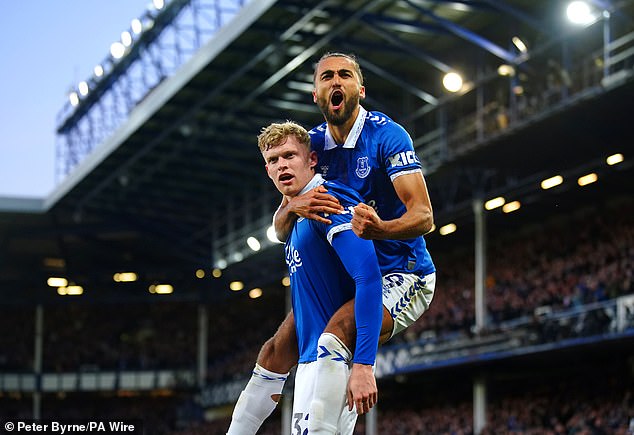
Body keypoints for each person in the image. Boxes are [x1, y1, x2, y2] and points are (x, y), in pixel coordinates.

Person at [227, 52, 437, 434]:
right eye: (327, 76)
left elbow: (424, 217)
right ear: (315, 93)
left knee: (338, 330)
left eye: (344, 75)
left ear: (360, 88)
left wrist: (380, 230)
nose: (335, 81)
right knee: (277, 348)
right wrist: (292, 207)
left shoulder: (387, 137)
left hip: (400, 271)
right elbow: (279, 227)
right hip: (346, 274)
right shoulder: (311, 147)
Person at [257, 120, 383, 434]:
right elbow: (279, 225)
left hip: (332, 357)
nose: (282, 165)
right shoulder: (296, 216)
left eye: (289, 156)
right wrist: (287, 210)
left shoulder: (327, 203)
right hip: (309, 360)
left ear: (312, 159)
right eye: (274, 160)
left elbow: (368, 277)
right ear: (267, 170)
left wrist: (364, 365)